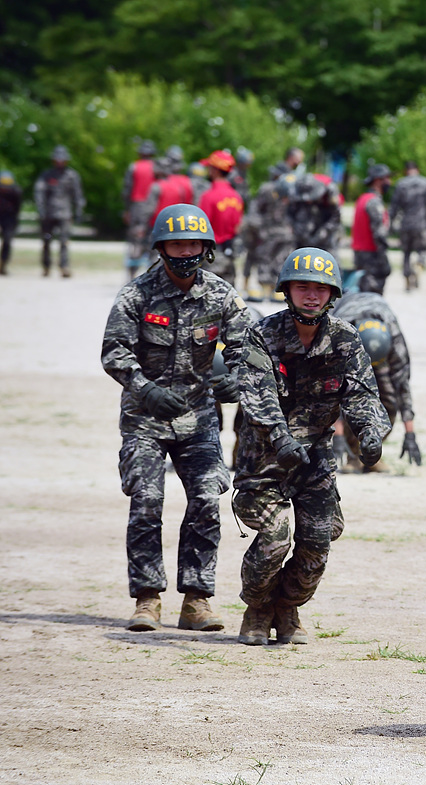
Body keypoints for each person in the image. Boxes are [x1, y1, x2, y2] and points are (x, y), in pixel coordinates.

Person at [100, 204, 255, 633]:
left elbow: (248, 350)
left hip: (199, 418)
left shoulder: (222, 295)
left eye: (193, 244)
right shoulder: (136, 295)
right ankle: (147, 599)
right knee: (147, 501)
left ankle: (197, 600)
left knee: (207, 497)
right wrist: (146, 390)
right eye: (176, 244)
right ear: (161, 247)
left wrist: (237, 380)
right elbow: (115, 353)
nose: (185, 252)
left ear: (205, 248)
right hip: (145, 419)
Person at [233, 248, 391, 645]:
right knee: (275, 537)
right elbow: (257, 395)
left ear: (333, 294)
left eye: (320, 288)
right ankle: (257, 607)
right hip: (264, 456)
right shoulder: (263, 334)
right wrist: (281, 437)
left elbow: (363, 394)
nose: (311, 295)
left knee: (319, 541)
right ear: (287, 290)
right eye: (302, 286)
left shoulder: (345, 338)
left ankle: (288, 608)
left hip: (315, 459)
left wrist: (372, 433)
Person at [331, 290, 421, 471]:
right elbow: (332, 391)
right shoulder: (339, 335)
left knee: (389, 399)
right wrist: (337, 437)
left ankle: (370, 454)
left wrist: (410, 434)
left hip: (380, 351)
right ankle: (352, 454)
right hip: (351, 352)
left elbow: (402, 386)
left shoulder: (394, 340)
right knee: (348, 398)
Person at [388, 160, 426, 291]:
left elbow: (394, 207)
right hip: (421, 223)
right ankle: (419, 265)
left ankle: (407, 278)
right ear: (417, 169)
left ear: (405, 171)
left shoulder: (401, 184)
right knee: (423, 250)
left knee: (406, 253)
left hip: (406, 223)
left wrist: (390, 225)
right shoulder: (425, 183)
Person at [243, 166, 296, 301]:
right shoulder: (267, 190)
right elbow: (255, 210)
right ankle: (264, 286)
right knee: (264, 258)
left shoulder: (293, 190)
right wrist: (258, 228)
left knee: (281, 260)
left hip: (285, 233)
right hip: (266, 232)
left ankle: (276, 287)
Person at [34, 145, 85, 278]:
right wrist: (41, 209)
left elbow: (78, 195)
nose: (60, 162)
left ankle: (64, 266)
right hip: (49, 213)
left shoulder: (72, 175)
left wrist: (79, 210)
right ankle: (46, 266)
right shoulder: (46, 175)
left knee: (64, 241)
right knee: (46, 241)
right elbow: (39, 192)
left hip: (65, 213)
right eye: (57, 159)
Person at [196, 150, 244, 283]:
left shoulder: (209, 196)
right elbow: (238, 226)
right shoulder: (236, 197)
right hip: (229, 253)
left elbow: (201, 227)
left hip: (212, 256)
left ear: (215, 170)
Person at [352, 163, 392, 295]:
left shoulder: (362, 198)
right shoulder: (374, 201)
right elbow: (379, 233)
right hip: (371, 254)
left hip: (360, 253)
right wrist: (384, 260)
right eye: (387, 178)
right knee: (372, 293)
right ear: (378, 180)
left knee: (362, 289)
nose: (389, 182)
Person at [122, 140, 158, 280]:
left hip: (137, 207)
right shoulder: (157, 167)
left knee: (135, 242)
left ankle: (131, 275)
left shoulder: (134, 167)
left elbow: (127, 190)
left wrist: (127, 210)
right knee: (152, 241)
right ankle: (153, 275)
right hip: (153, 207)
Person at [0, 170, 22, 276]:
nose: (5, 189)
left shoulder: (16, 191)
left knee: (7, 240)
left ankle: (3, 264)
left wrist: (15, 221)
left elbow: (17, 207)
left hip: (9, 217)